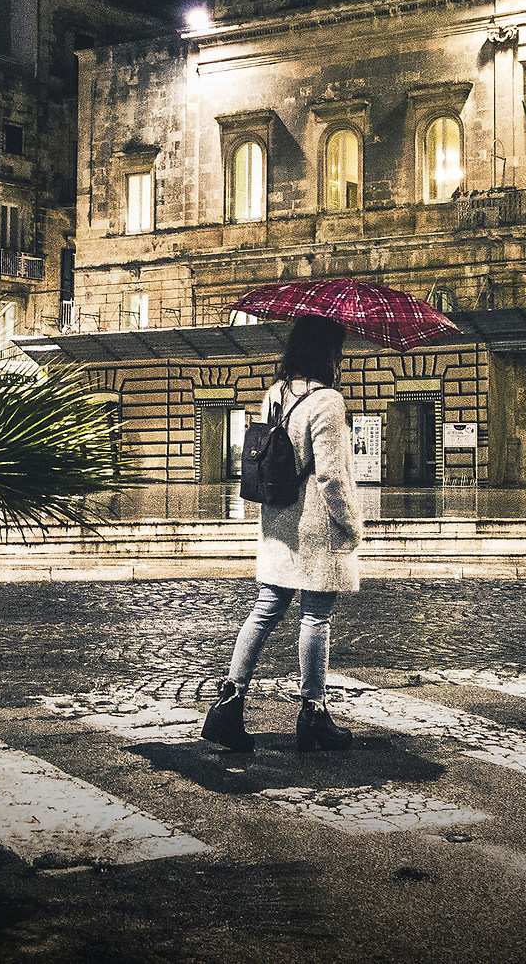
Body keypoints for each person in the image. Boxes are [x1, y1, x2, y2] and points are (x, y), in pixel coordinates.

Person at [202, 314, 362, 753]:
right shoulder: (327, 401)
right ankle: (313, 713)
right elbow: (331, 476)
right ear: (326, 353)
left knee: (265, 610)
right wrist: (351, 524)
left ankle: (227, 706)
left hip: (278, 519)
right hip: (315, 527)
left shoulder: (276, 394)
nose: (340, 358)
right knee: (316, 616)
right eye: (338, 350)